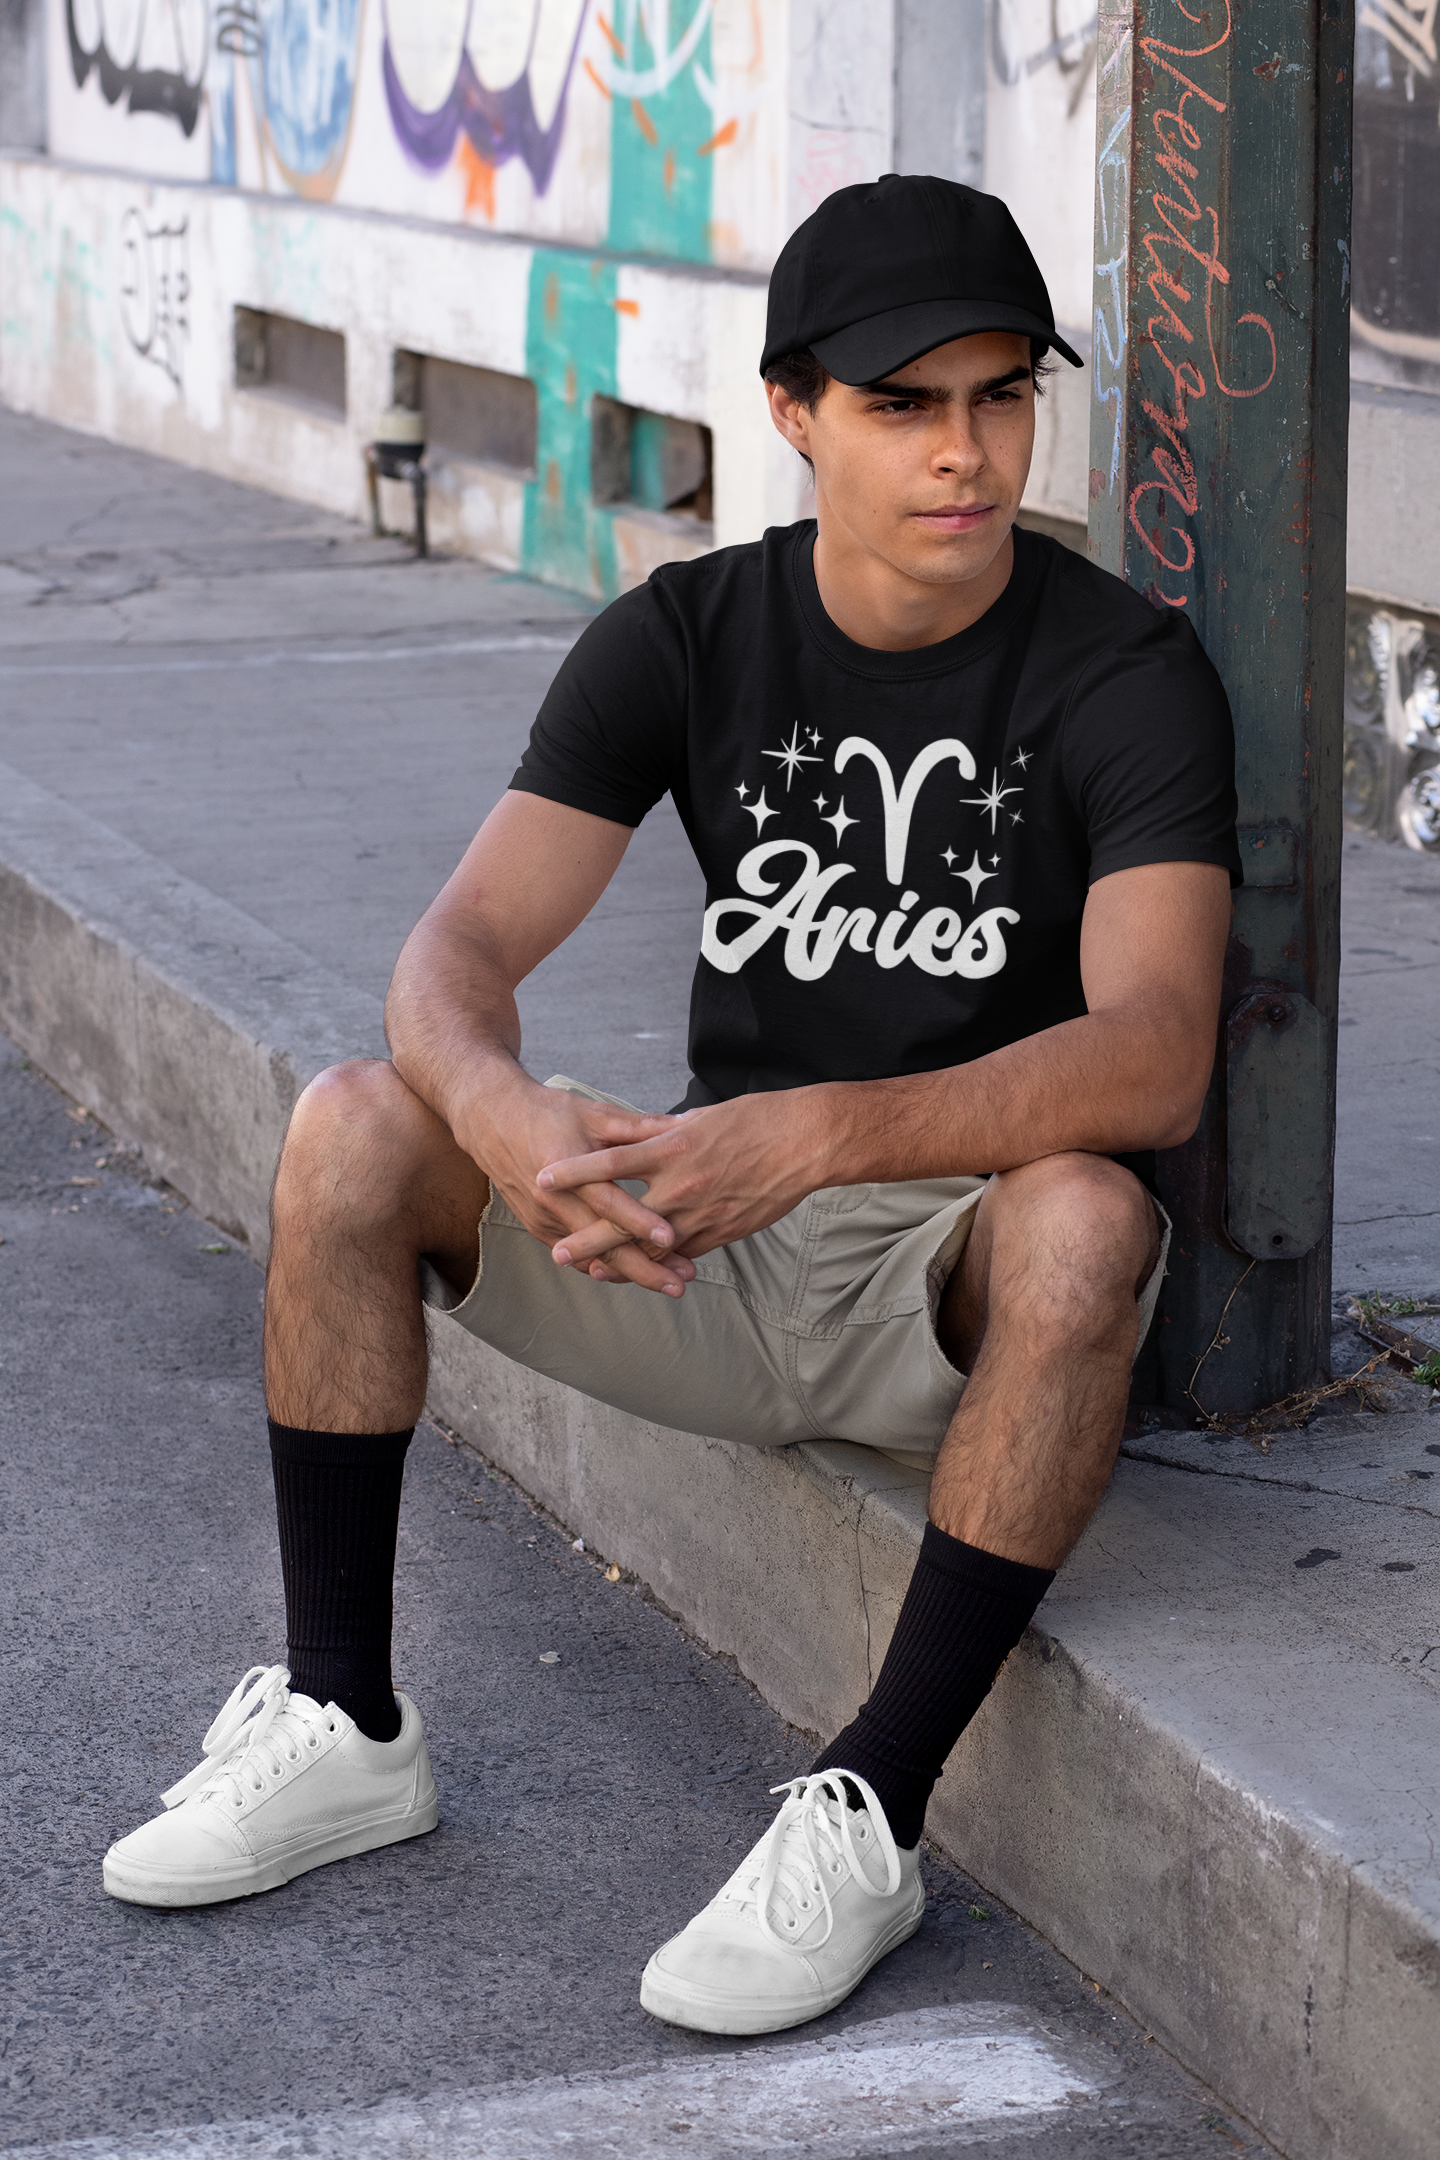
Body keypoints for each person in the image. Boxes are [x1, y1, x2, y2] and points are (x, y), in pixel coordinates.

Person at [103, 175, 1239, 2037]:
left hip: (946, 1270)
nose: (966, 454)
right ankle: (344, 1719)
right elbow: (453, 951)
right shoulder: (691, 633)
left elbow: (1152, 1054)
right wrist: (502, 1112)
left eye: (1001, 396)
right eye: (902, 404)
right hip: (691, 1249)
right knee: (355, 1120)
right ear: (793, 413)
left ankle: (868, 1807)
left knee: (1090, 1217)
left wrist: (826, 1130)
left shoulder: (1122, 672)